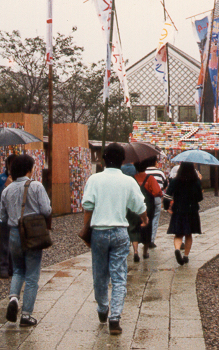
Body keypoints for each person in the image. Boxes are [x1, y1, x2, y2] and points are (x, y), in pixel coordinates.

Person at [81, 143, 148, 336]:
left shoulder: (94, 179)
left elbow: (88, 206)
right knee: (119, 277)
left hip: (99, 232)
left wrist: (86, 230)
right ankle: (115, 318)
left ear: (103, 159)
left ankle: (103, 309)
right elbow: (139, 206)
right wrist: (144, 219)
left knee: (100, 274)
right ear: (122, 160)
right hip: (120, 232)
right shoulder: (128, 181)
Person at [0, 154, 52, 327]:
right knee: (32, 275)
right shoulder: (36, 186)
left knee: (17, 271)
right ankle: (27, 315)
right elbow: (46, 210)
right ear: (29, 169)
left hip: (14, 233)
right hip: (32, 234)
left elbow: (3, 217)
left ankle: (14, 298)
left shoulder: (7, 190)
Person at [165, 162, 203, 265]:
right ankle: (186, 256)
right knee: (188, 234)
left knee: (178, 234)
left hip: (178, 209)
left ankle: (177, 249)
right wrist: (199, 181)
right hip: (192, 211)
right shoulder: (195, 181)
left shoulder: (175, 181)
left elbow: (167, 196)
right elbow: (200, 198)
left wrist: (166, 207)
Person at [0, 153, 17, 278]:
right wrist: (5, 185)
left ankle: (14, 268)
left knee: (16, 243)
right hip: (5, 215)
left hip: (18, 216)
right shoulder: (2, 178)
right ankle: (3, 267)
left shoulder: (22, 179)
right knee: (5, 242)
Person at [134, 159, 162, 259]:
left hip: (135, 206)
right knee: (147, 228)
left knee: (135, 228)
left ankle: (136, 251)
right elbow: (156, 192)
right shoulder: (150, 178)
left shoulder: (132, 179)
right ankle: (145, 252)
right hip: (148, 206)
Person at [145, 157, 167, 248]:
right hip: (156, 197)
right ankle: (151, 240)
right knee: (155, 217)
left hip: (145, 198)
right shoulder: (160, 172)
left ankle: (145, 239)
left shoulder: (144, 172)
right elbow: (165, 184)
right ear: (155, 162)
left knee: (146, 217)